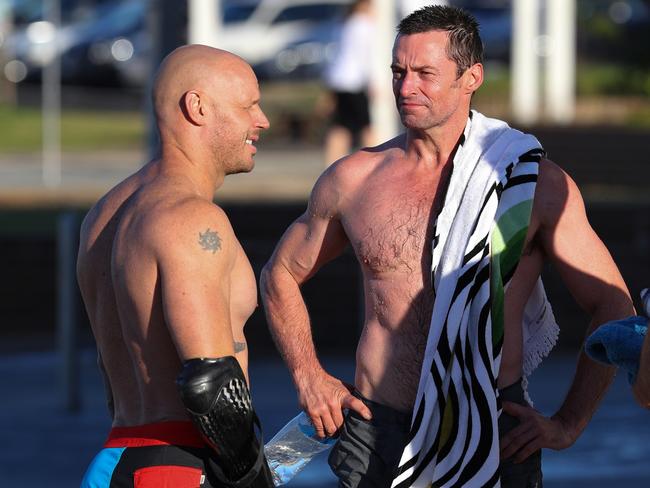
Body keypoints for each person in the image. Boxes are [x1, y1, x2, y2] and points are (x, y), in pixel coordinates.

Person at [260, 5, 635, 488]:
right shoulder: (354, 180)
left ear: (470, 77)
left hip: (493, 427)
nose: (405, 87)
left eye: (424, 74)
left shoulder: (527, 183)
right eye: (398, 72)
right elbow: (280, 274)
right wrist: (309, 376)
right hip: (380, 429)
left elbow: (613, 304)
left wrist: (569, 422)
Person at [77, 45, 274, 487]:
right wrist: (255, 479)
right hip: (177, 466)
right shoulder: (190, 218)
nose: (262, 121)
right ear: (197, 107)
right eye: (248, 106)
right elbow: (210, 384)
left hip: (116, 455)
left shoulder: (105, 214)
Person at [322, 0, 375, 165]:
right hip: (354, 82)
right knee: (366, 126)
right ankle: (376, 163)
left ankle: (331, 165)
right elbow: (365, 56)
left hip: (338, 80)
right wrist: (372, 81)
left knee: (340, 127)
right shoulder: (363, 25)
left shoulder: (343, 22)